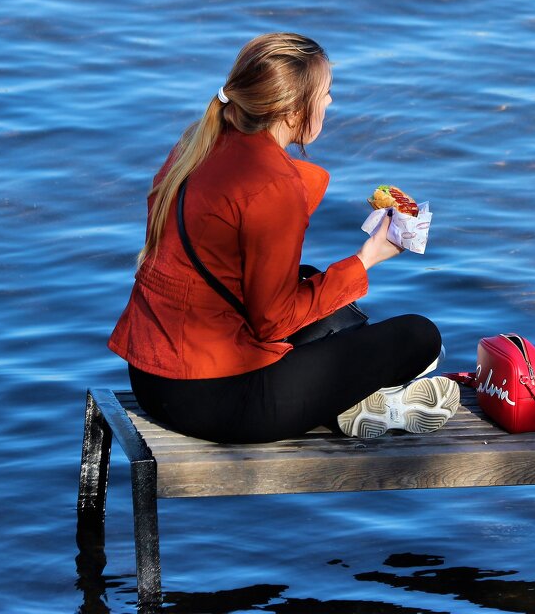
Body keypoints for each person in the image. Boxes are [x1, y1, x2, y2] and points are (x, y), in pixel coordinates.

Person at [108, 32, 458, 443]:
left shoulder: (196, 146)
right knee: (419, 337)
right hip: (217, 400)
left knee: (316, 286)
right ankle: (361, 402)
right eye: (325, 93)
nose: (329, 103)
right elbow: (272, 322)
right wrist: (368, 257)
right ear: (293, 111)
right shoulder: (272, 187)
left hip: (151, 379)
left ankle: (351, 402)